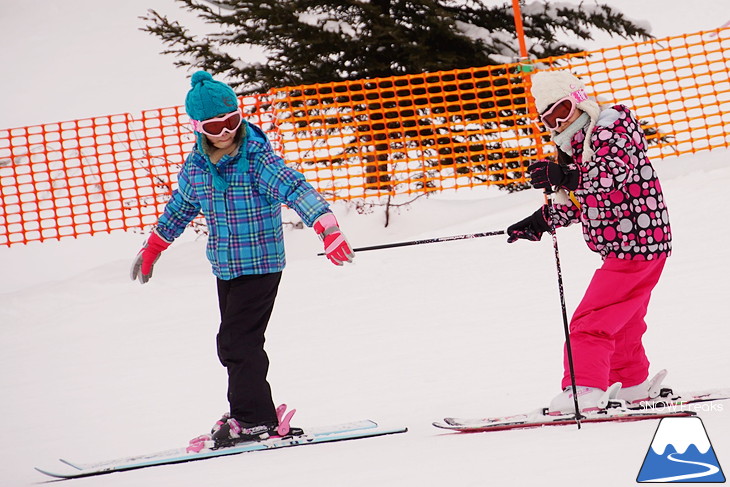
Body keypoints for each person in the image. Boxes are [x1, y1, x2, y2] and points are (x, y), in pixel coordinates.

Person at [130, 71, 354, 447]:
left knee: (237, 341)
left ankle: (254, 419)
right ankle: (247, 411)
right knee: (234, 343)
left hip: (261, 265)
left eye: (232, 121)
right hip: (226, 267)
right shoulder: (197, 167)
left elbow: (295, 187)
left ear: (239, 115)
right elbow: (180, 208)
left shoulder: (256, 160)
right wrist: (154, 246)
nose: (224, 132)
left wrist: (326, 227)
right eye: (215, 125)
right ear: (199, 127)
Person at [506, 70, 672, 413]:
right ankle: (629, 385)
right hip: (636, 245)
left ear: (579, 100)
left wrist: (564, 175)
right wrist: (541, 221)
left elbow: (612, 175)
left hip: (635, 244)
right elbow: (583, 199)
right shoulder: (575, 145)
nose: (556, 122)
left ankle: (584, 389)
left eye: (562, 110)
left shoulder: (612, 127)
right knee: (622, 321)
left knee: (591, 321)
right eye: (548, 118)